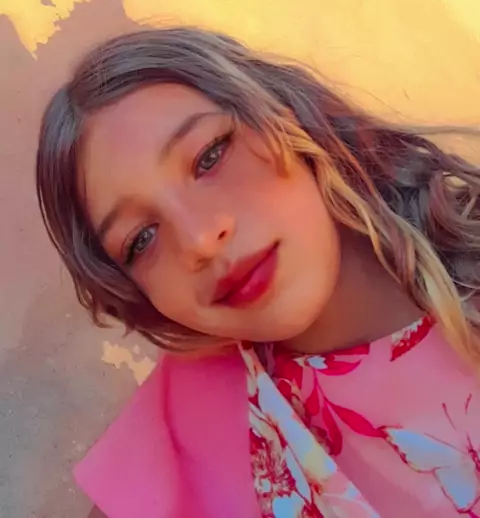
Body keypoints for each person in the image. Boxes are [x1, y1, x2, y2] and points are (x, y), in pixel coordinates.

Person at [35, 27, 480, 518]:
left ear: (281, 112)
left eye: (210, 156)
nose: (200, 240)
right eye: (141, 239)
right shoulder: (186, 423)